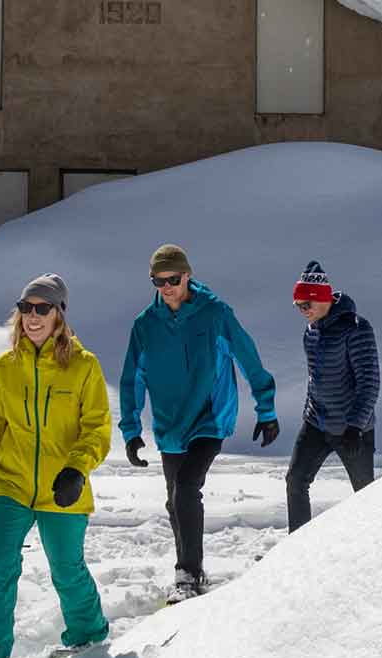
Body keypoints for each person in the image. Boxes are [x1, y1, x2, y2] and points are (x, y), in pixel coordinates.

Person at [0, 273, 112, 658]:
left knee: (66, 568)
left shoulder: (84, 366)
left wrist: (77, 470)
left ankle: (88, 632)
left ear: (59, 315)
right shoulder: (5, 368)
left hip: (62, 488)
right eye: (26, 308)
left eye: (43, 308)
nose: (33, 317)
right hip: (11, 483)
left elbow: (96, 428)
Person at [118, 244, 278, 604]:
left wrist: (265, 409)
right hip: (170, 425)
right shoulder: (145, 325)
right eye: (158, 281)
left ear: (187, 275)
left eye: (173, 279)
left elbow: (248, 357)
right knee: (175, 501)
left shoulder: (215, 314)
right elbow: (132, 379)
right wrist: (130, 430)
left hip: (209, 419)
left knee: (187, 487)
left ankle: (187, 574)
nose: (166, 287)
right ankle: (191, 569)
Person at [284, 260, 379, 532]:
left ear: (322, 299)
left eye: (306, 305)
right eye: (298, 306)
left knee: (366, 494)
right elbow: (314, 378)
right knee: (295, 481)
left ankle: (374, 544)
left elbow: (369, 382)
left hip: (353, 429)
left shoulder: (357, 329)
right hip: (316, 422)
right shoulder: (310, 331)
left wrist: (354, 426)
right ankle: (297, 544)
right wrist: (309, 411)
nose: (303, 312)